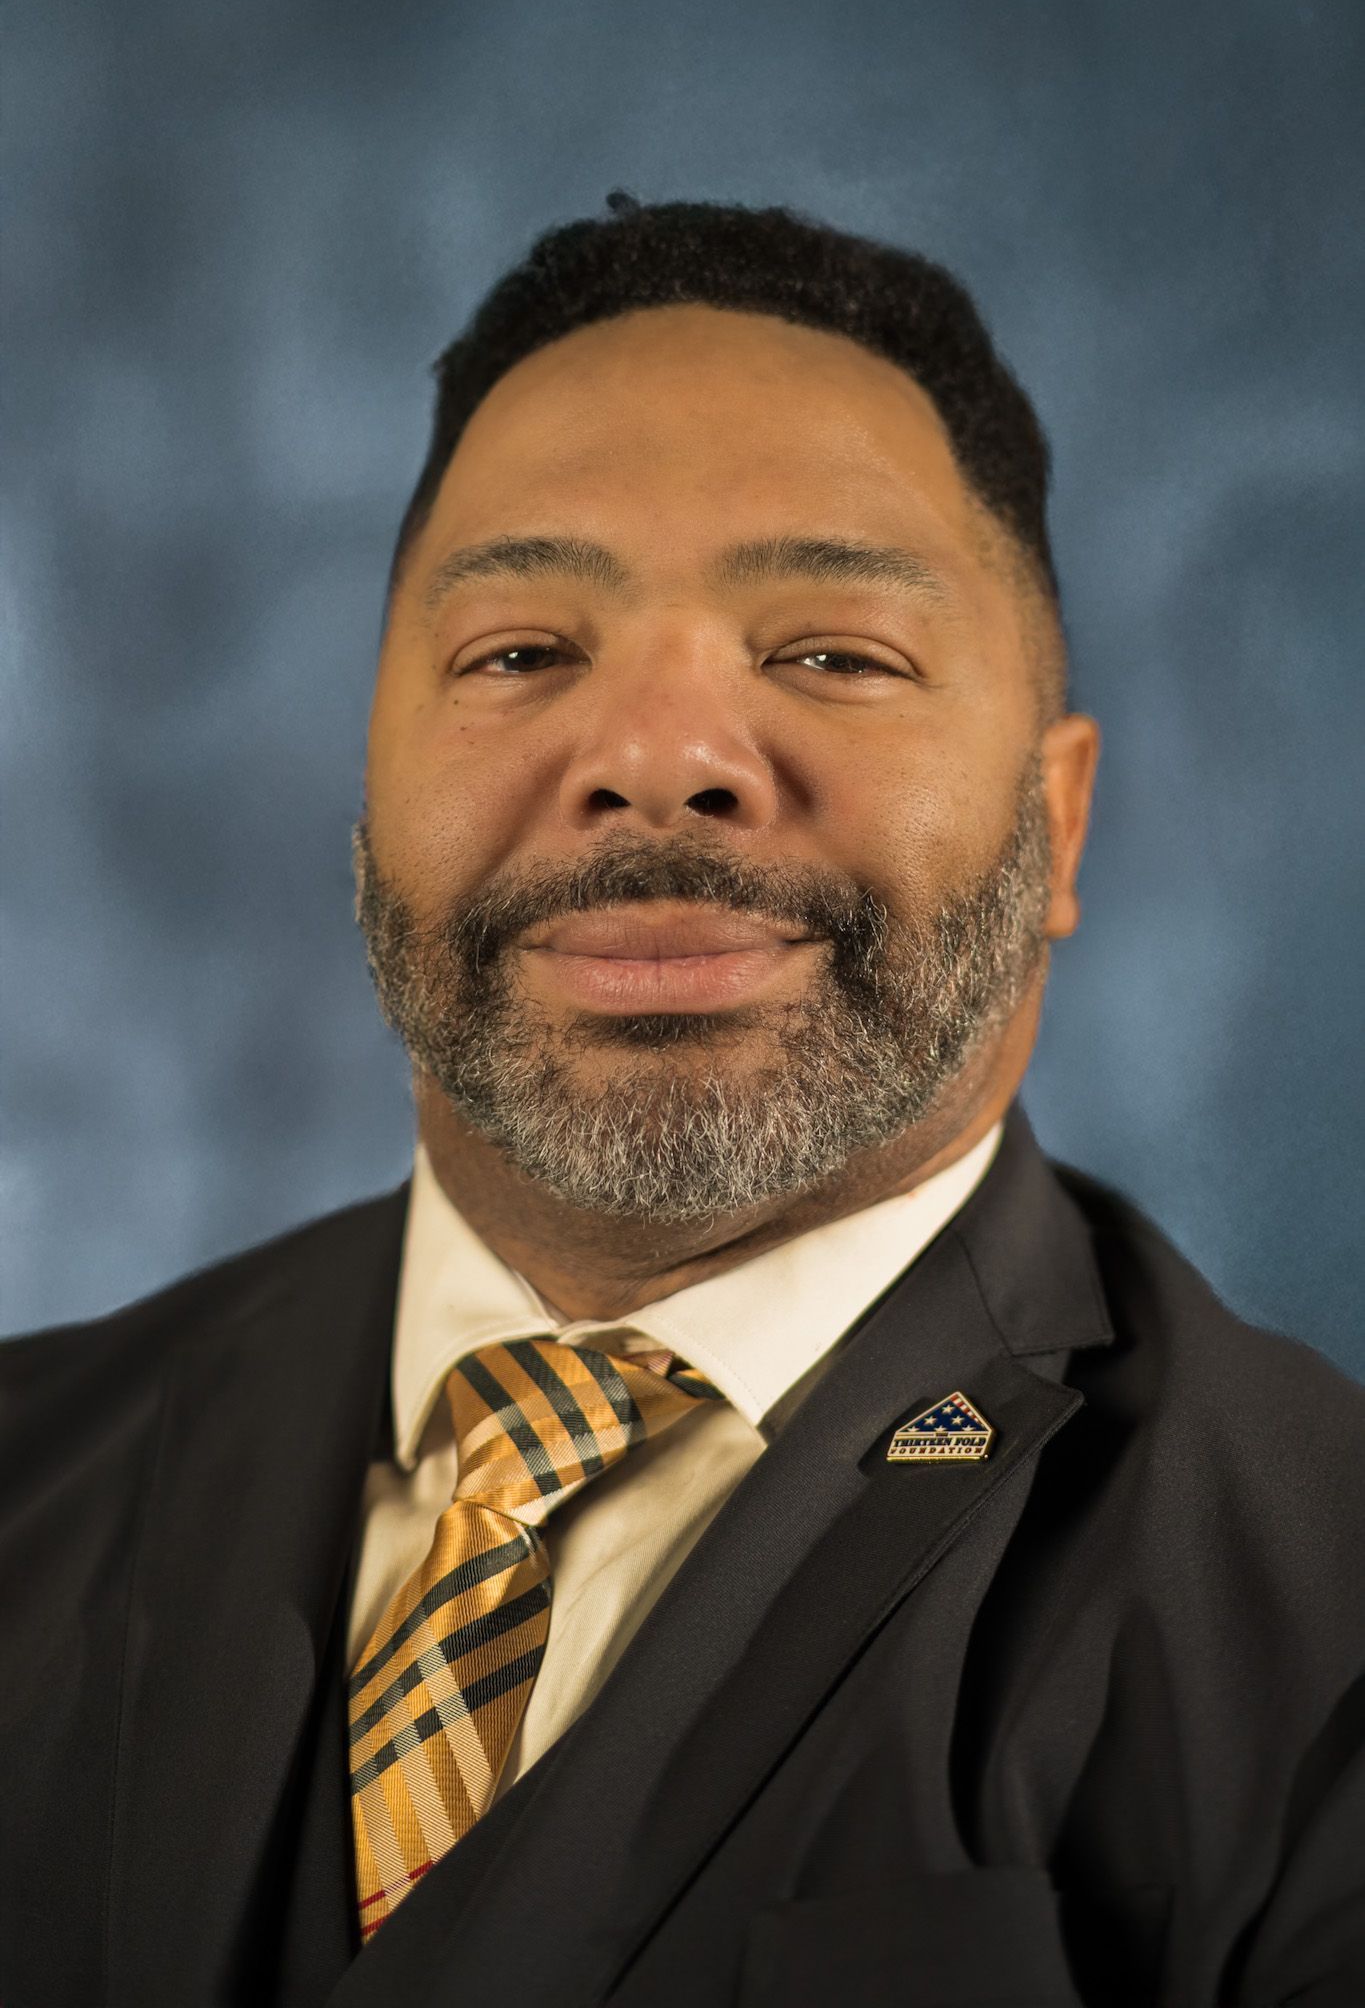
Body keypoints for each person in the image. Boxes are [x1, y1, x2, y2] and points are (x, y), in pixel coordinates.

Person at [1, 193, 1360, 2008]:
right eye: (520, 655)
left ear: (1060, 821)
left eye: (828, 654)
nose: (655, 760)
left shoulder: (1323, 1627)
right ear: (371, 783)